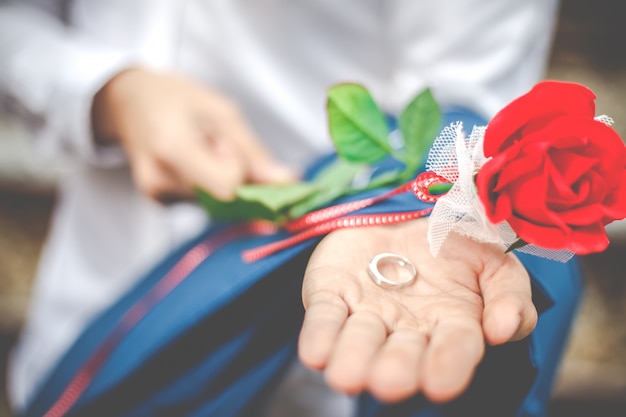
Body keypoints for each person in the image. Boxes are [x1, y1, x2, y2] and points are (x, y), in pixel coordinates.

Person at [0, 1, 579, 416]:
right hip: (94, 302)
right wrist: (103, 91)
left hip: (306, 367)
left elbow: (468, 93)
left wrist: (401, 206)